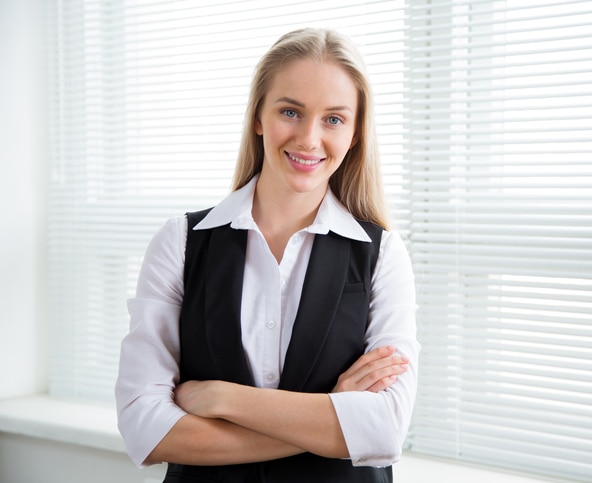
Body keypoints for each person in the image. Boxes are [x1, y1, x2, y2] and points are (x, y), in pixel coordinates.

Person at [115, 27, 419, 482]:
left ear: (355, 133)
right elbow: (146, 430)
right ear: (258, 116)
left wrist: (225, 400)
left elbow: (386, 429)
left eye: (334, 119)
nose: (309, 139)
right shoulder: (180, 242)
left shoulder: (384, 256)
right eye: (291, 111)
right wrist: (333, 413)